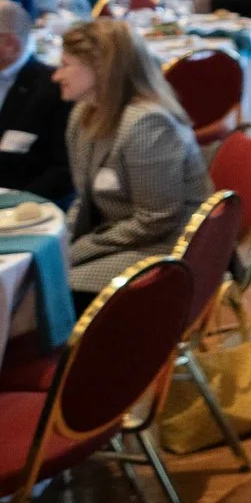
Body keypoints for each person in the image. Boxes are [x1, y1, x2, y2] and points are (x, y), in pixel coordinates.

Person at [58, 19, 208, 299]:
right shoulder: (83, 115)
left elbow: (157, 219)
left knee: (54, 291)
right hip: (126, 240)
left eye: (66, 65)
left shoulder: (146, 123)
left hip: (170, 248)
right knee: (41, 281)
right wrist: (60, 245)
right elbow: (84, 199)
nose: (56, 75)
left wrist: (79, 249)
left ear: (101, 69)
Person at [0, 1, 71, 204]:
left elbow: (64, 170)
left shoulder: (55, 89)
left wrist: (15, 204)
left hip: (28, 209)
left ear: (10, 44)